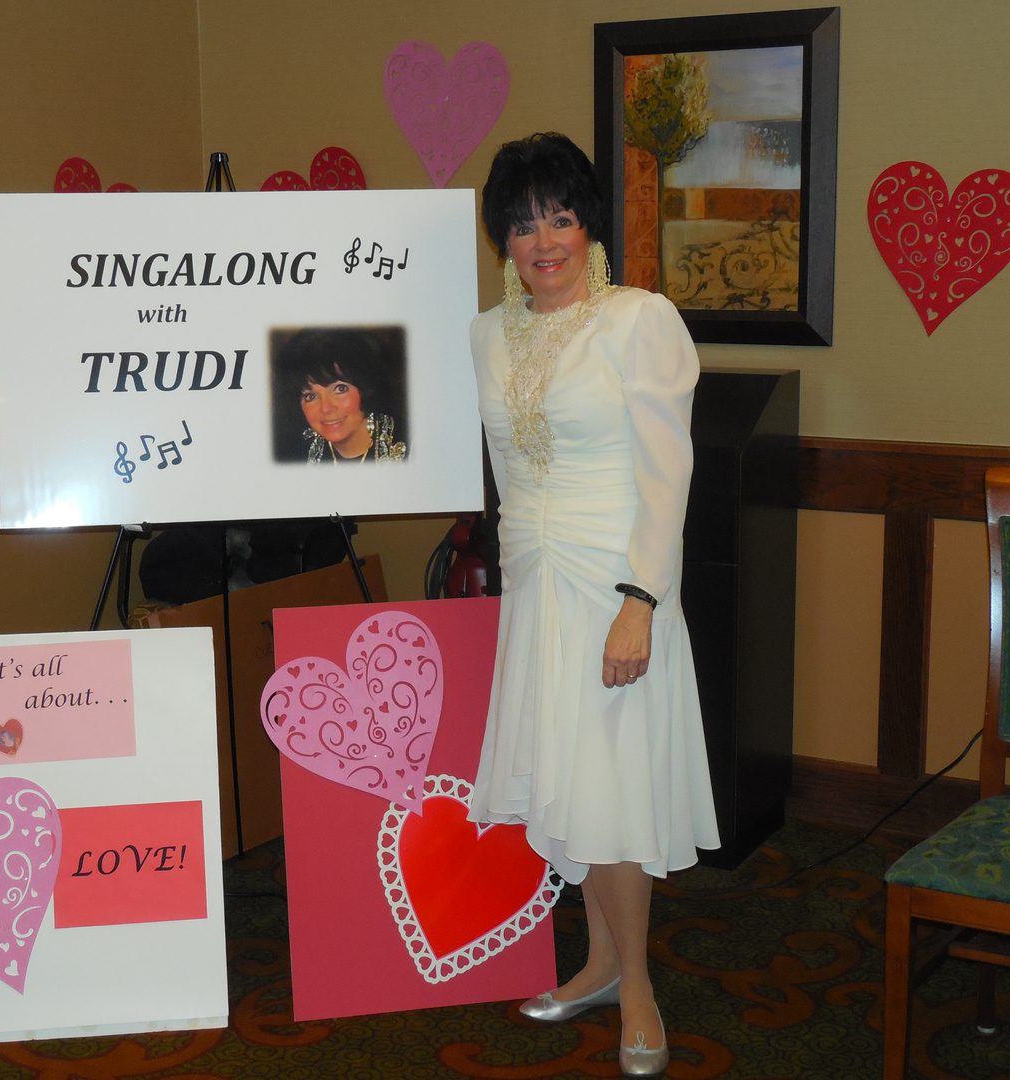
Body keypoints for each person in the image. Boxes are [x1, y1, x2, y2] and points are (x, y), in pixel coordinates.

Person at [466, 132, 720, 1078]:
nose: (544, 239)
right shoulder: (486, 334)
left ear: (588, 224)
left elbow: (669, 477)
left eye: (561, 217)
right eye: (524, 221)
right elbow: (497, 472)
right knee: (569, 780)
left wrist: (642, 599)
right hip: (536, 589)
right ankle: (602, 963)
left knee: (610, 789)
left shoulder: (639, 320)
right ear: (502, 236)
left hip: (617, 587)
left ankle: (640, 987)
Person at [274, 327, 408, 463]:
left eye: (340, 389)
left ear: (368, 387)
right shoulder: (291, 455)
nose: (326, 408)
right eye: (311, 396)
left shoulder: (410, 446)